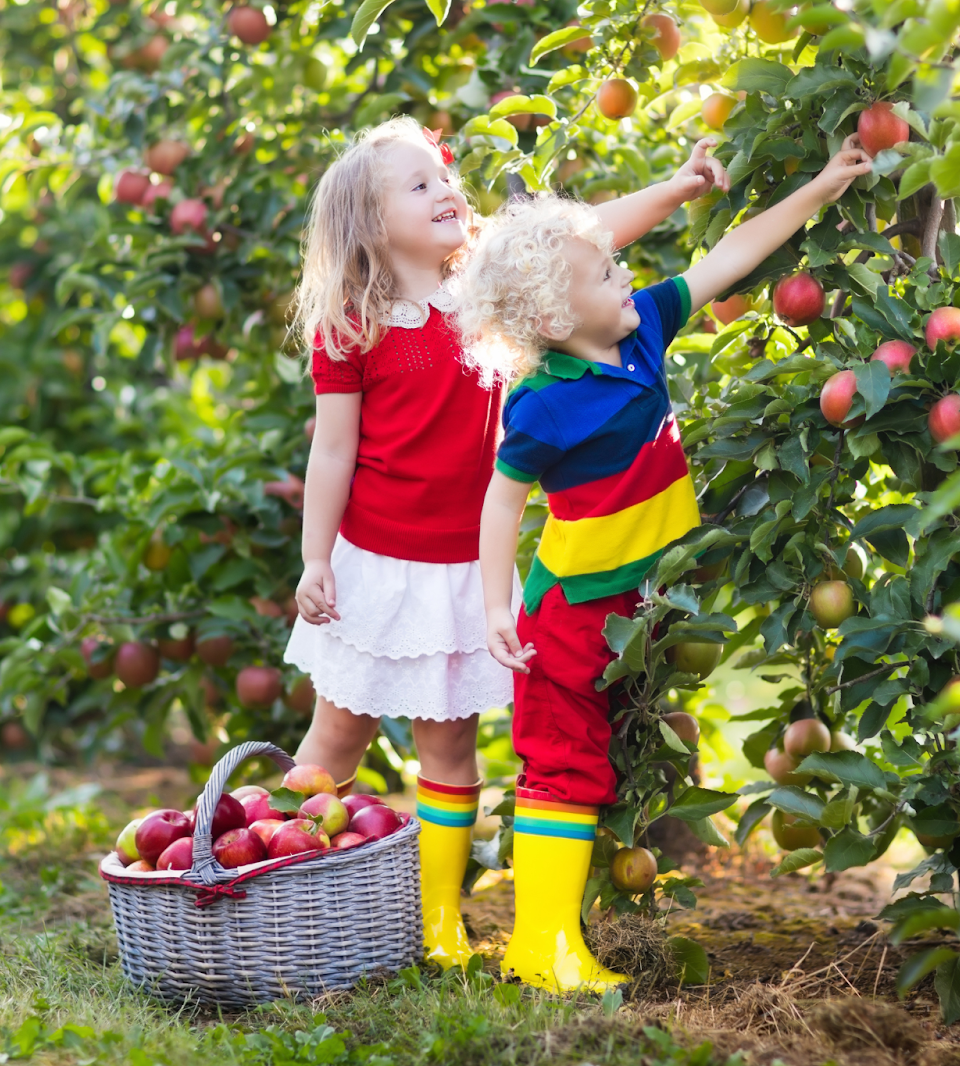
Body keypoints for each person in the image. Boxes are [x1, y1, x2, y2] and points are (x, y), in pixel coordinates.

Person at [283, 116, 728, 970]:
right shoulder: (353, 324)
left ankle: (437, 919)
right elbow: (331, 449)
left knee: (449, 748)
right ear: (370, 224)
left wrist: (676, 188)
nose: (447, 191)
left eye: (443, 176)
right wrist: (315, 559)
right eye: (418, 186)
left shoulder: (484, 279)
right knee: (338, 731)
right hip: (376, 562)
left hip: (463, 565)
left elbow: (586, 238)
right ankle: (279, 874)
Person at [456, 135, 875, 992]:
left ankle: (555, 939)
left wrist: (822, 188)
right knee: (562, 766)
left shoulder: (644, 330)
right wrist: (496, 608)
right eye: (604, 272)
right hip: (570, 611)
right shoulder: (541, 406)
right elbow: (503, 503)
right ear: (549, 320)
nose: (624, 276)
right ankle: (541, 947)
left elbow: (733, 252)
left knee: (601, 760)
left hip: (639, 608)